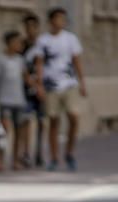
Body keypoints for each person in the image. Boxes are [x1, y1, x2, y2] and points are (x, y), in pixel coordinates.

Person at [31, 7, 86, 171]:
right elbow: (39, 63)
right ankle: (54, 157)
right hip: (51, 85)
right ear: (51, 21)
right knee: (53, 121)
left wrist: (82, 83)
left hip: (69, 84)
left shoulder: (70, 39)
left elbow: (77, 61)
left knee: (74, 117)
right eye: (58, 18)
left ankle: (69, 152)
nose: (61, 22)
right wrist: (39, 85)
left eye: (63, 19)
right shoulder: (43, 41)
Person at [0, 30, 32, 171]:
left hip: (19, 101)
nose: (19, 45)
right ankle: (0, 161)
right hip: (5, 101)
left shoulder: (20, 60)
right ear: (9, 43)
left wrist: (37, 86)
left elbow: (26, 78)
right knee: (4, 132)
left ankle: (15, 160)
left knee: (18, 133)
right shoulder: (0, 60)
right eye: (17, 42)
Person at [22, 13, 45, 167]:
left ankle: (39, 152)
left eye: (33, 27)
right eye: (27, 27)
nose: (30, 30)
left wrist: (40, 86)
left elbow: (43, 66)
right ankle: (26, 153)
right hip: (26, 88)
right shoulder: (21, 46)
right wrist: (32, 84)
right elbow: (21, 67)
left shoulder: (43, 46)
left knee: (42, 121)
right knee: (26, 120)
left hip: (42, 87)